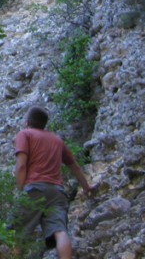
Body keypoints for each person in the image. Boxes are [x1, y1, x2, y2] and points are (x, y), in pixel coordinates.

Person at [13, 106, 94, 258]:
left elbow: (21, 164)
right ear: (45, 124)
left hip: (34, 188)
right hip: (57, 192)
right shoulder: (57, 140)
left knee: (17, 232)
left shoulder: (25, 134)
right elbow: (75, 167)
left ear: (27, 122)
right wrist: (86, 187)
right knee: (60, 231)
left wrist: (20, 188)